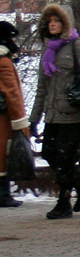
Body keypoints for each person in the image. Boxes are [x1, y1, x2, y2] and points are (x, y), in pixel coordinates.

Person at [29, 4, 80, 220]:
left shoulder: (78, 46)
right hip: (53, 115)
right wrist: (34, 119)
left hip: (74, 115)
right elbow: (42, 88)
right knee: (50, 154)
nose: (52, 24)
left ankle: (63, 202)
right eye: (49, 20)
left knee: (65, 159)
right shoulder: (48, 49)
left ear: (66, 23)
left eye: (57, 20)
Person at [0, 21, 31, 208]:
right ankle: (3, 194)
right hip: (4, 119)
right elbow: (12, 93)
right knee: (3, 155)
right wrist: (20, 121)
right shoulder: (4, 62)